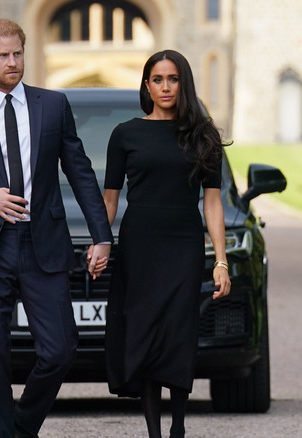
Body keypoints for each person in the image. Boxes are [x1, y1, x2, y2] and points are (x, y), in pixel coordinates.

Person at [0, 18, 112, 438]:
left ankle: (20, 426)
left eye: (18, 54)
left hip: (41, 244)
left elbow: (81, 173)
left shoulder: (53, 105)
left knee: (60, 349)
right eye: (3, 56)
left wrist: (102, 235)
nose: (13, 63)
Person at [101, 49, 231, 438]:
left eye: (172, 79)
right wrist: (100, 243)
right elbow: (109, 199)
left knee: (177, 331)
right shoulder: (125, 134)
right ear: (146, 86)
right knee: (144, 331)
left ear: (183, 83)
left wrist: (221, 261)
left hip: (184, 246)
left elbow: (212, 202)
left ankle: (179, 426)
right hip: (139, 246)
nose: (165, 87)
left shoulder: (203, 135)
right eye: (157, 80)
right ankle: (155, 432)